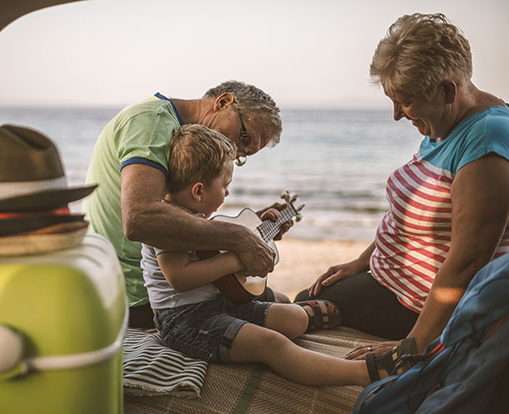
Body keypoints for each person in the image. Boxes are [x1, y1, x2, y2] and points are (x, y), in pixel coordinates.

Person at [295, 13, 509, 361]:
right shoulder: (445, 122)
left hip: (421, 308)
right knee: (304, 301)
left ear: (447, 90)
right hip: (389, 282)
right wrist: (363, 260)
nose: (396, 114)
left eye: (405, 100)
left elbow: (468, 261)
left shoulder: (485, 139)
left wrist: (413, 346)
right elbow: (411, 214)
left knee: (298, 311)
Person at [142, 124, 400, 386]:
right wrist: (237, 259)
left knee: (293, 314)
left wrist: (257, 225)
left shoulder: (195, 216)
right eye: (225, 186)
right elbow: (179, 278)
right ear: (198, 191)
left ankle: (304, 317)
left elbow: (218, 245)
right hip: (187, 321)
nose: (227, 192)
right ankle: (365, 373)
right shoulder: (168, 225)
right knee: (273, 344)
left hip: (220, 303)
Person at [83, 80, 290, 329]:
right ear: (224, 102)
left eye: (244, 155)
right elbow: (140, 218)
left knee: (280, 302)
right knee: (279, 306)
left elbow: (181, 218)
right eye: (244, 138)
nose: (236, 152)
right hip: (135, 295)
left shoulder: (182, 138)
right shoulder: (152, 122)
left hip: (155, 286)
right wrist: (240, 238)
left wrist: (251, 229)